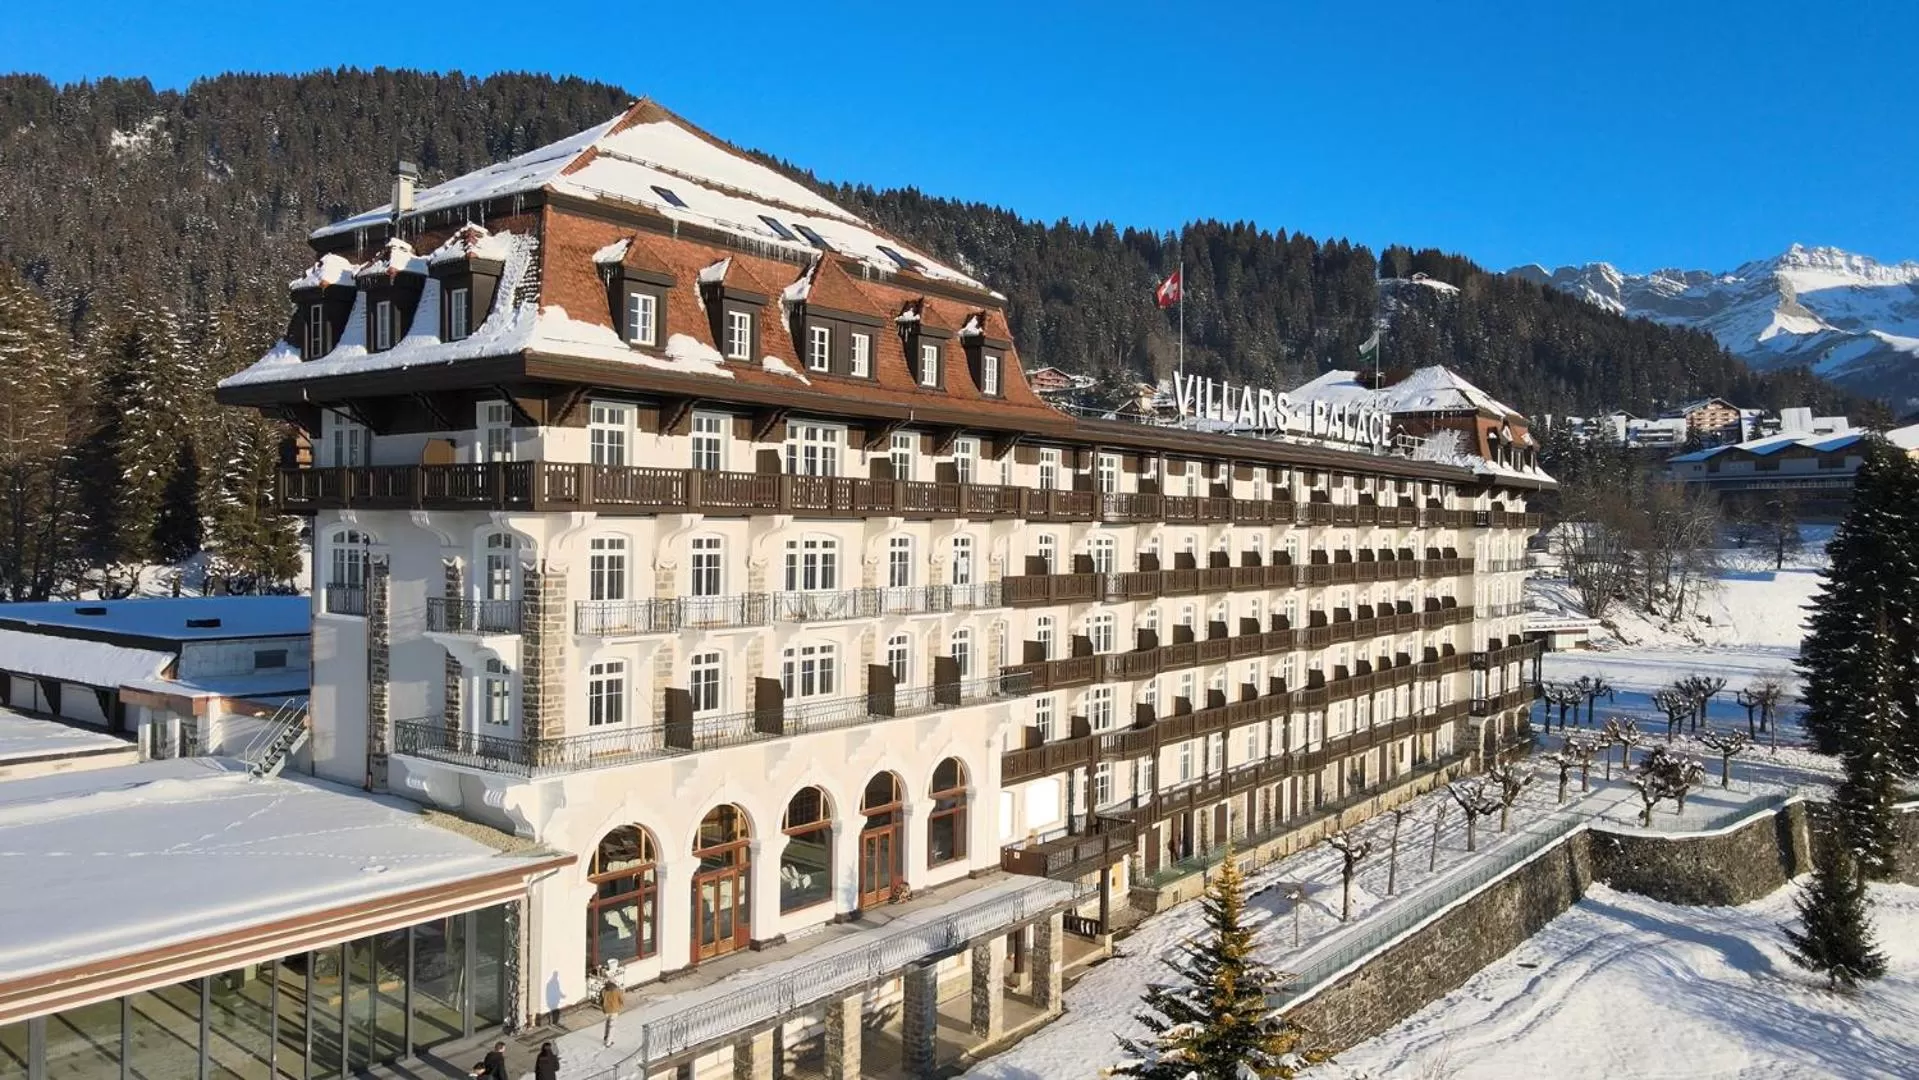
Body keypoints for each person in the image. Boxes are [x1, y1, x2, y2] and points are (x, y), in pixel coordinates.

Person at [599, 973, 626, 1047]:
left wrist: (603, 1006)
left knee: (607, 1024)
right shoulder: (617, 990)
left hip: (606, 1010)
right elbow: (621, 999)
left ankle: (606, 1037)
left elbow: (600, 1000)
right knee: (612, 1026)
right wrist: (621, 1005)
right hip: (614, 1010)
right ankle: (608, 1042)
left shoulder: (603, 990)